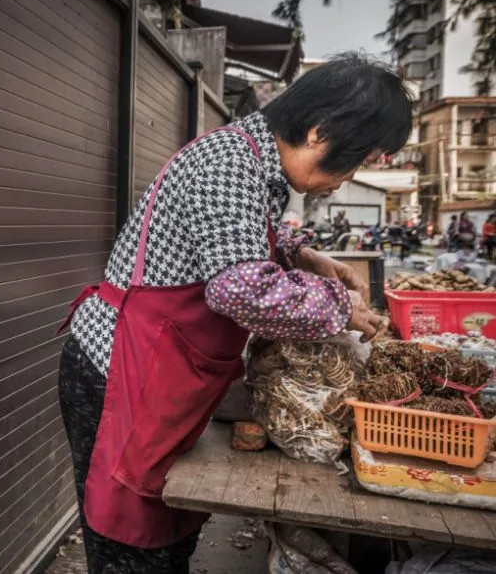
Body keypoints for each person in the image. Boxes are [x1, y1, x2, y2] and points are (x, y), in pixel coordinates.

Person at [56, 53, 409, 574]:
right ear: (320, 132)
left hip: (163, 371)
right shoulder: (227, 161)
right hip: (120, 371)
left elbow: (238, 234)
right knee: (130, 546)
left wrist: (304, 255)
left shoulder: (256, 163)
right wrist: (341, 306)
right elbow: (241, 289)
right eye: (356, 160)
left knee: (167, 528)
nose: (348, 178)